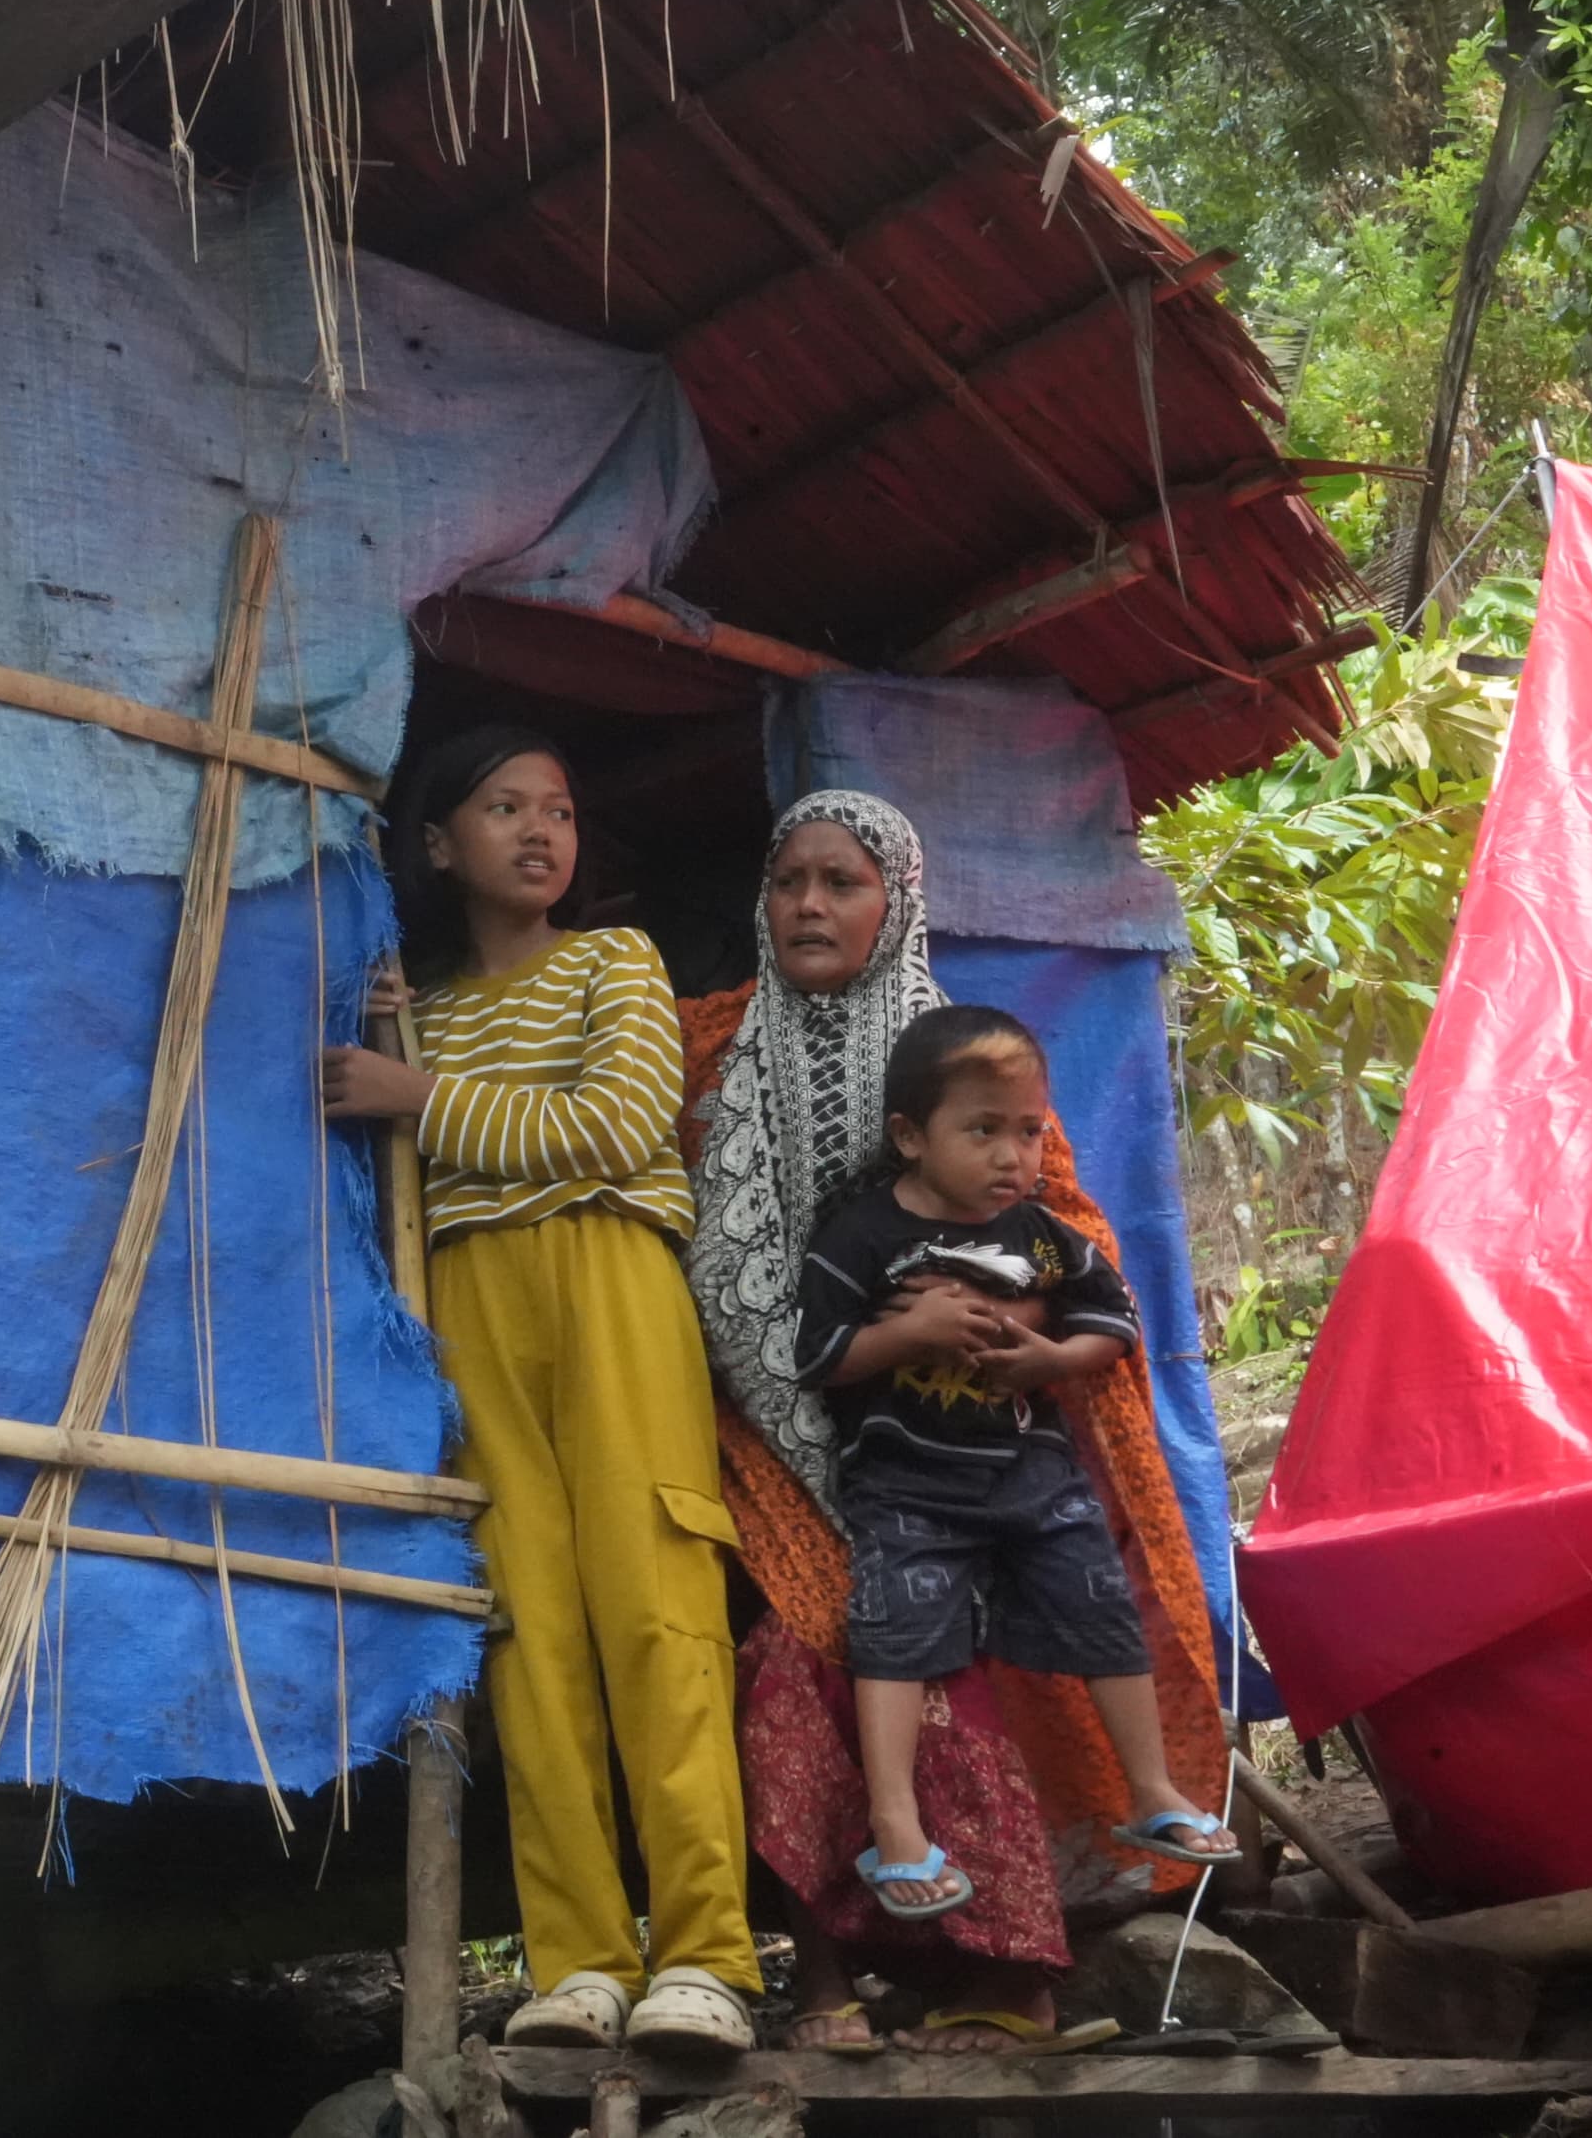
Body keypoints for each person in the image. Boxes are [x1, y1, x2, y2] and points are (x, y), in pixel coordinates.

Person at [681, 791, 1232, 2054]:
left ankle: (1001, 1977)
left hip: (957, 1447)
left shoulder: (961, 1060)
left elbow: (1069, 1230)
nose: (811, 905)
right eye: (789, 882)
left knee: (952, 1675)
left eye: (843, 880)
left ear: (899, 901)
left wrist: (995, 1317)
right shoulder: (706, 1046)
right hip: (769, 1438)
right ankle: (822, 1984)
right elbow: (610, 1137)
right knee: (788, 1671)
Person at [320, 726, 761, 2061]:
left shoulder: (612, 962)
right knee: (528, 1635)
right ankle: (578, 1958)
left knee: (654, 1604)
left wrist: (417, 1098)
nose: (538, 830)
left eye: (558, 809)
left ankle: (707, 1957)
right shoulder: (423, 1010)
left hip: (612, 1279)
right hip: (469, 1303)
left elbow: (617, 1128)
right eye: (502, 807)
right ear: (440, 843)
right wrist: (409, 1068)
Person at [796, 1005, 1240, 1914]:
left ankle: (1150, 1790)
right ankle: (896, 1822)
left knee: (1103, 1609)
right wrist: (910, 1331)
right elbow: (818, 1357)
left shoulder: (1041, 1234)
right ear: (910, 1136)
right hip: (908, 1490)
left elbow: (1111, 1325)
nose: (1012, 1156)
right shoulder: (863, 1234)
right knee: (892, 1639)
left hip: (1034, 1478)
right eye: (983, 1130)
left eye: (1029, 1131)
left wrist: (1050, 1360)